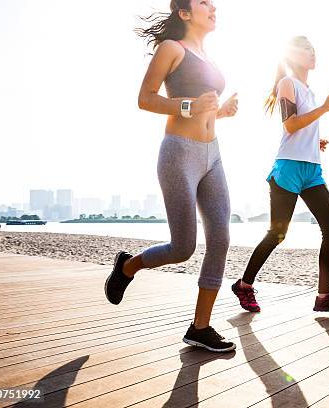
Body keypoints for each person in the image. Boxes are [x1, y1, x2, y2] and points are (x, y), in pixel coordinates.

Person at [104, 0, 238, 353]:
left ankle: (200, 326)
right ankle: (127, 267)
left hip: (214, 155)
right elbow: (145, 98)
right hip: (179, 152)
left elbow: (203, 109)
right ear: (184, 12)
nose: (213, 7)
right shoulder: (171, 48)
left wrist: (220, 112)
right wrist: (188, 106)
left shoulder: (207, 54)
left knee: (221, 238)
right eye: (204, 3)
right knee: (183, 248)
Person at [231, 36, 329, 313]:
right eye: (307, 50)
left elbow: (303, 127)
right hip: (288, 169)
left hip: (312, 170)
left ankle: (324, 297)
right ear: (293, 56)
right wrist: (324, 108)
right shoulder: (288, 83)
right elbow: (290, 125)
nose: (313, 54)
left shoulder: (308, 89)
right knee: (277, 234)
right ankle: (244, 286)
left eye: (314, 50)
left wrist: (315, 140)